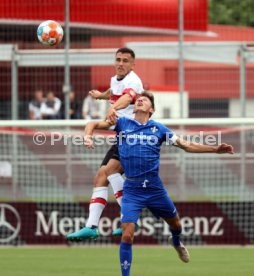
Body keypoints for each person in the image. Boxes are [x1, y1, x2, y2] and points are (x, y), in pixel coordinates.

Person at [77, 91, 234, 275]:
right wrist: (88, 135)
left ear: (151, 109)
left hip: (154, 189)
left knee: (176, 225)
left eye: (144, 100)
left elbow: (186, 145)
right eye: (137, 100)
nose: (139, 100)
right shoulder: (122, 123)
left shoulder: (159, 129)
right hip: (132, 190)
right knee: (127, 235)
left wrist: (215, 149)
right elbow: (92, 123)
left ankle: (175, 241)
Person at [67, 47, 144, 241]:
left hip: (135, 136)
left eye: (125, 60)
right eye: (118, 59)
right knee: (101, 176)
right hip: (121, 136)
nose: (120, 63)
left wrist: (112, 107)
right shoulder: (114, 80)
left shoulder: (134, 80)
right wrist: (102, 95)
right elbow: (114, 92)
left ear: (132, 65)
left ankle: (131, 216)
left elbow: (127, 98)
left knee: (110, 171)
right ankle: (91, 226)